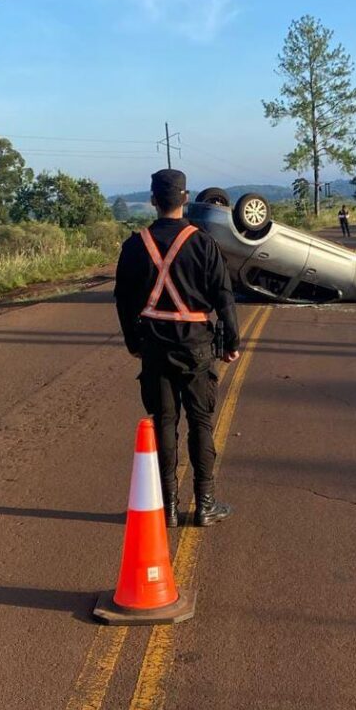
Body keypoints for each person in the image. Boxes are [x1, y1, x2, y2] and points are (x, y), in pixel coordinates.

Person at [114, 169, 240, 528]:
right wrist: (231, 342)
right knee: (200, 423)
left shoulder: (135, 245)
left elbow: (123, 301)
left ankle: (166, 507)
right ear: (186, 199)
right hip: (197, 348)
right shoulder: (203, 243)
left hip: (154, 347)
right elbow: (224, 298)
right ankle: (205, 505)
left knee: (164, 425)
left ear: (154, 200)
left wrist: (132, 343)